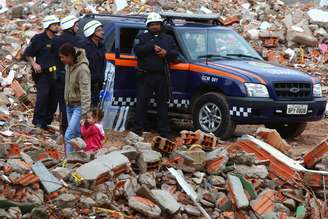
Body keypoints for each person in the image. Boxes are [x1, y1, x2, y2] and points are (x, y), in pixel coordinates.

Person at [133, 12, 178, 138]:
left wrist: (166, 53)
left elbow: (175, 54)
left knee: (162, 105)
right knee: (141, 103)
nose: (154, 26)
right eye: (152, 24)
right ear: (148, 25)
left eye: (157, 24)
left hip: (162, 76)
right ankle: (137, 130)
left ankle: (164, 131)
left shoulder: (168, 38)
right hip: (145, 76)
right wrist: (152, 46)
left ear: (161, 25)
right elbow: (137, 51)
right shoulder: (142, 37)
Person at [24, 15, 60, 129]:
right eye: (54, 25)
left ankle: (46, 122)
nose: (57, 26)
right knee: (43, 96)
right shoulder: (38, 39)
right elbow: (28, 53)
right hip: (42, 74)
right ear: (47, 26)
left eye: (58, 24)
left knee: (54, 98)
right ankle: (38, 122)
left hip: (55, 73)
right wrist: (34, 64)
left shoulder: (57, 40)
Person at [59, 43, 91, 156]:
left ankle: (67, 161)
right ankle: (78, 158)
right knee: (76, 135)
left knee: (68, 135)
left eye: (63, 57)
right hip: (69, 105)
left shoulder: (83, 69)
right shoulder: (68, 66)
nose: (61, 59)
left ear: (69, 56)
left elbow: (86, 92)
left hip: (78, 107)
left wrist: (85, 113)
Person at [52, 15, 81, 136]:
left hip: (59, 76)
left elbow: (53, 56)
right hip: (74, 77)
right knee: (75, 104)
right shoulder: (78, 41)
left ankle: (64, 129)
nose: (78, 28)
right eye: (76, 25)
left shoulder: (55, 40)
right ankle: (73, 130)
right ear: (71, 26)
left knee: (63, 104)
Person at [82, 20, 105, 107]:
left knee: (94, 110)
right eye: (99, 30)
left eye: (102, 30)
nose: (102, 32)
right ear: (91, 32)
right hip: (86, 84)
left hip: (97, 84)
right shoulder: (83, 46)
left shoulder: (101, 46)